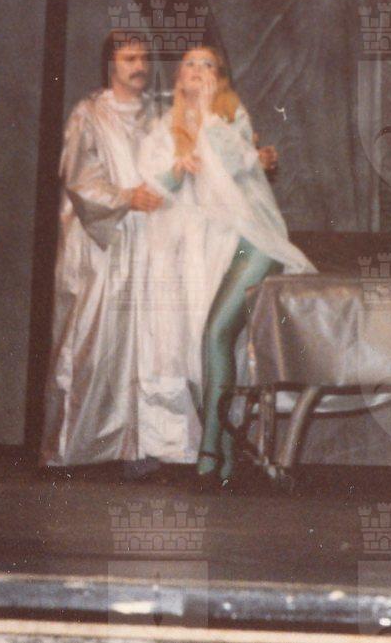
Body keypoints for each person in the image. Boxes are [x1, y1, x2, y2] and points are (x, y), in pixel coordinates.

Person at [138, 45, 314, 484]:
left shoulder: (230, 118)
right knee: (203, 344)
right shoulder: (162, 130)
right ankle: (224, 451)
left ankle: (211, 449)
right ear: (178, 75)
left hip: (250, 242)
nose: (198, 71)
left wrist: (210, 119)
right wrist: (179, 168)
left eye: (208, 65)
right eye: (190, 64)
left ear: (219, 78)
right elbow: (153, 187)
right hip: (204, 247)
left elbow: (241, 165)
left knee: (216, 332)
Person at [39, 29, 166, 471]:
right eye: (130, 58)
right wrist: (126, 198)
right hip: (101, 244)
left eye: (143, 58)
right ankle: (77, 448)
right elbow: (79, 177)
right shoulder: (89, 114)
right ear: (111, 64)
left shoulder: (158, 115)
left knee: (144, 344)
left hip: (147, 241)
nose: (139, 66)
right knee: (94, 341)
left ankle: (138, 448)